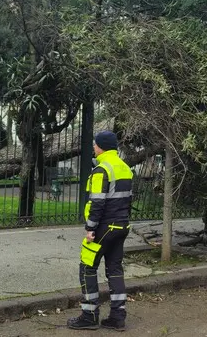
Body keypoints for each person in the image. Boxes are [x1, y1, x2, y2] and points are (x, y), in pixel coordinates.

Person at [67, 130, 133, 331]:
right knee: (114, 269)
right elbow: (128, 199)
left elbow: (97, 202)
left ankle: (89, 315)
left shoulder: (101, 170)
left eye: (95, 145)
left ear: (101, 147)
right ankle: (118, 317)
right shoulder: (125, 168)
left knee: (87, 267)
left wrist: (90, 228)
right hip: (122, 226)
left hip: (104, 227)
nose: (93, 148)